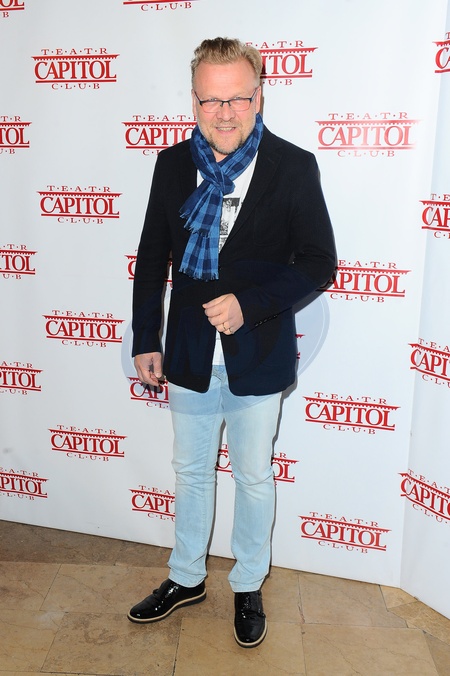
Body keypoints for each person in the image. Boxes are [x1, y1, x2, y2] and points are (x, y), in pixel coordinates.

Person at [128, 37, 336, 648]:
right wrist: (146, 336)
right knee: (191, 472)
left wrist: (251, 303)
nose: (224, 114)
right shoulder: (172, 164)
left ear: (259, 97)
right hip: (189, 352)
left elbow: (318, 262)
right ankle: (186, 577)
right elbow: (151, 258)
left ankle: (248, 584)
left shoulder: (292, 166)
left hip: (259, 351)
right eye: (211, 101)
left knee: (253, 476)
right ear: (194, 101)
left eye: (238, 99)